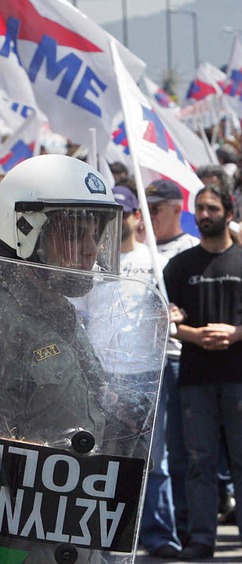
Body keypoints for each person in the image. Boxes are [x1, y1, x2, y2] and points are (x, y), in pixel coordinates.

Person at [0, 154, 150, 562]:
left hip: (77, 520)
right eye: (75, 235)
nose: (90, 252)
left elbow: (97, 395)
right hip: (19, 535)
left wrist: (127, 407)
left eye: (96, 237)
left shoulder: (60, 312)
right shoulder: (4, 317)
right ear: (25, 230)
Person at [163, 184, 242, 561]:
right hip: (194, 378)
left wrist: (235, 333)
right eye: (199, 208)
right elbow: (166, 320)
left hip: (241, 378)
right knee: (199, 463)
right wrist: (194, 334)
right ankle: (201, 540)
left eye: (212, 208)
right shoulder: (178, 266)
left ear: (229, 213)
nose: (204, 214)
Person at [112, 186, 182, 559]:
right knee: (107, 459)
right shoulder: (95, 262)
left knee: (153, 461)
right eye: (113, 213)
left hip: (144, 373)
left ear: (136, 217)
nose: (118, 219)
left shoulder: (153, 260)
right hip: (102, 373)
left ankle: (158, 535)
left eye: (124, 212)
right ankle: (113, 532)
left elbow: (172, 309)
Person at [145, 178, 200, 547]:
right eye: (144, 210)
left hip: (185, 360)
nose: (147, 218)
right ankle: (163, 532)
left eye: (155, 210)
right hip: (149, 362)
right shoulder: (136, 250)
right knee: (157, 455)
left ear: (176, 209)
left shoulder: (192, 249)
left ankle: (189, 526)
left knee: (188, 453)